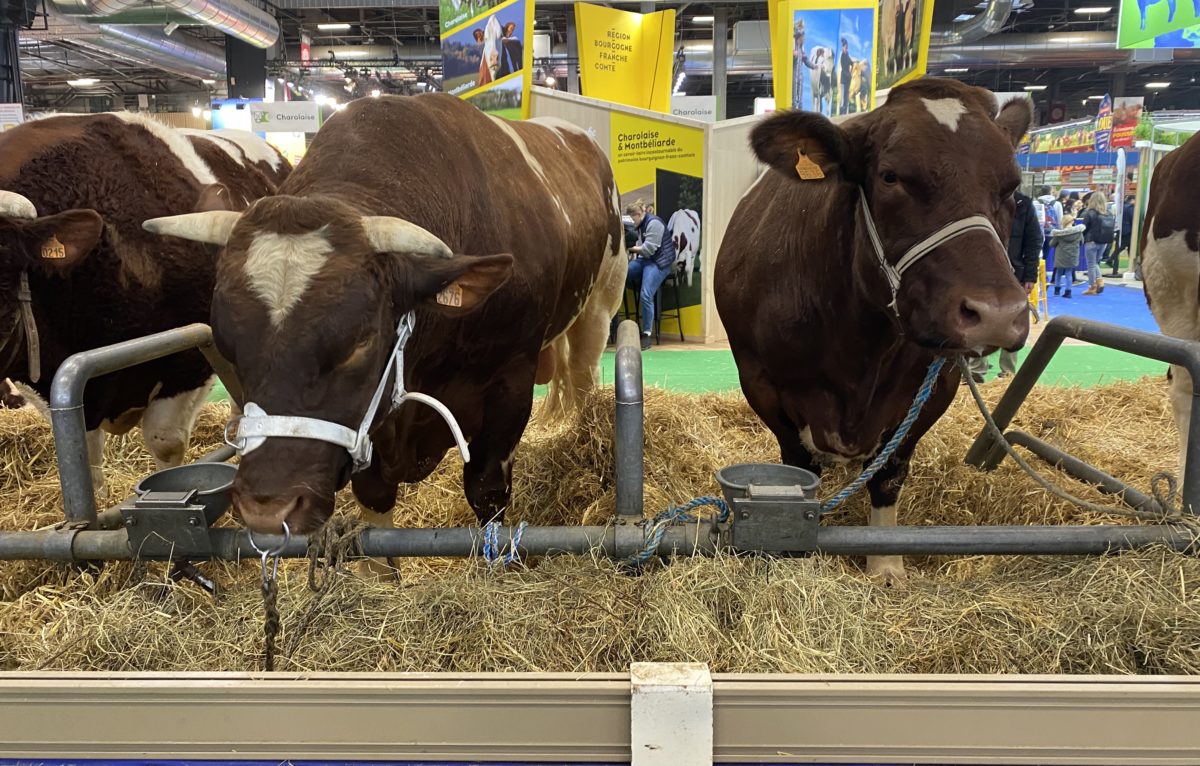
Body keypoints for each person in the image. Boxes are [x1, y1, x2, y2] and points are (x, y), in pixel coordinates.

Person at [967, 190, 1041, 382]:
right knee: (979, 317)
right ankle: (976, 371)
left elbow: (1034, 241)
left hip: (1014, 272)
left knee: (1013, 321)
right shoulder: (979, 198)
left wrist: (1030, 275)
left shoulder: (1023, 204)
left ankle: (1007, 373)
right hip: (980, 272)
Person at [615, 201, 676, 351]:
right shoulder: (640, 224)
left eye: (632, 219)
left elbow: (648, 250)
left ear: (639, 214)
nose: (631, 223)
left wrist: (628, 248)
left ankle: (647, 335)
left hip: (660, 263)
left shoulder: (654, 224)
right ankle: (613, 323)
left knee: (646, 294)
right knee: (619, 277)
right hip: (647, 260)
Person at [1081, 191, 1113, 295]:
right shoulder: (1108, 213)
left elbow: (1084, 228)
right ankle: (1100, 281)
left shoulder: (1090, 213)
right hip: (1103, 242)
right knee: (1095, 263)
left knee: (1091, 264)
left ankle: (1092, 286)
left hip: (1091, 241)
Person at [1050, 217, 1085, 300]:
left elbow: (1052, 244)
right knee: (1069, 273)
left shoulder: (1059, 234)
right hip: (1072, 256)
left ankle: (1057, 290)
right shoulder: (1079, 233)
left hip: (1060, 256)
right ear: (1072, 222)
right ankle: (1068, 292)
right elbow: (1082, 242)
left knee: (1058, 273)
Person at [792, 20, 822, 109]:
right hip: (793, 76)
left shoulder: (802, 51)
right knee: (793, 98)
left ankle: (799, 111)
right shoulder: (793, 49)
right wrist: (793, 54)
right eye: (803, 38)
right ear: (800, 38)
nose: (804, 39)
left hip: (800, 77)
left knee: (800, 99)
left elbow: (807, 62)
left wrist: (815, 66)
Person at [1034, 185, 1063, 262]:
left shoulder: (1035, 203)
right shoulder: (1057, 204)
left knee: (1037, 253)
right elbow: (1060, 220)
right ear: (1051, 192)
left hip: (1038, 232)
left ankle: (1037, 270)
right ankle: (1044, 269)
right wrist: (1060, 232)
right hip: (1052, 233)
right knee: (1046, 253)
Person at [1109, 194, 1134, 277]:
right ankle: (1110, 259)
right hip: (1128, 231)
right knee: (1122, 247)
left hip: (1121, 230)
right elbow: (1132, 219)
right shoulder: (1130, 208)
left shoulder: (1121, 207)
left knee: (1124, 248)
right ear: (1132, 200)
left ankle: (1129, 268)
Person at [838, 38, 852, 115]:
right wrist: (848, 74)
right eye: (845, 47)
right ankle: (841, 112)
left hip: (847, 80)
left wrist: (854, 65)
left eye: (846, 47)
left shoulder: (847, 55)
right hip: (843, 79)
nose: (846, 49)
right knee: (843, 97)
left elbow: (851, 62)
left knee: (846, 97)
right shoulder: (842, 56)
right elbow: (843, 68)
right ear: (842, 47)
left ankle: (845, 111)